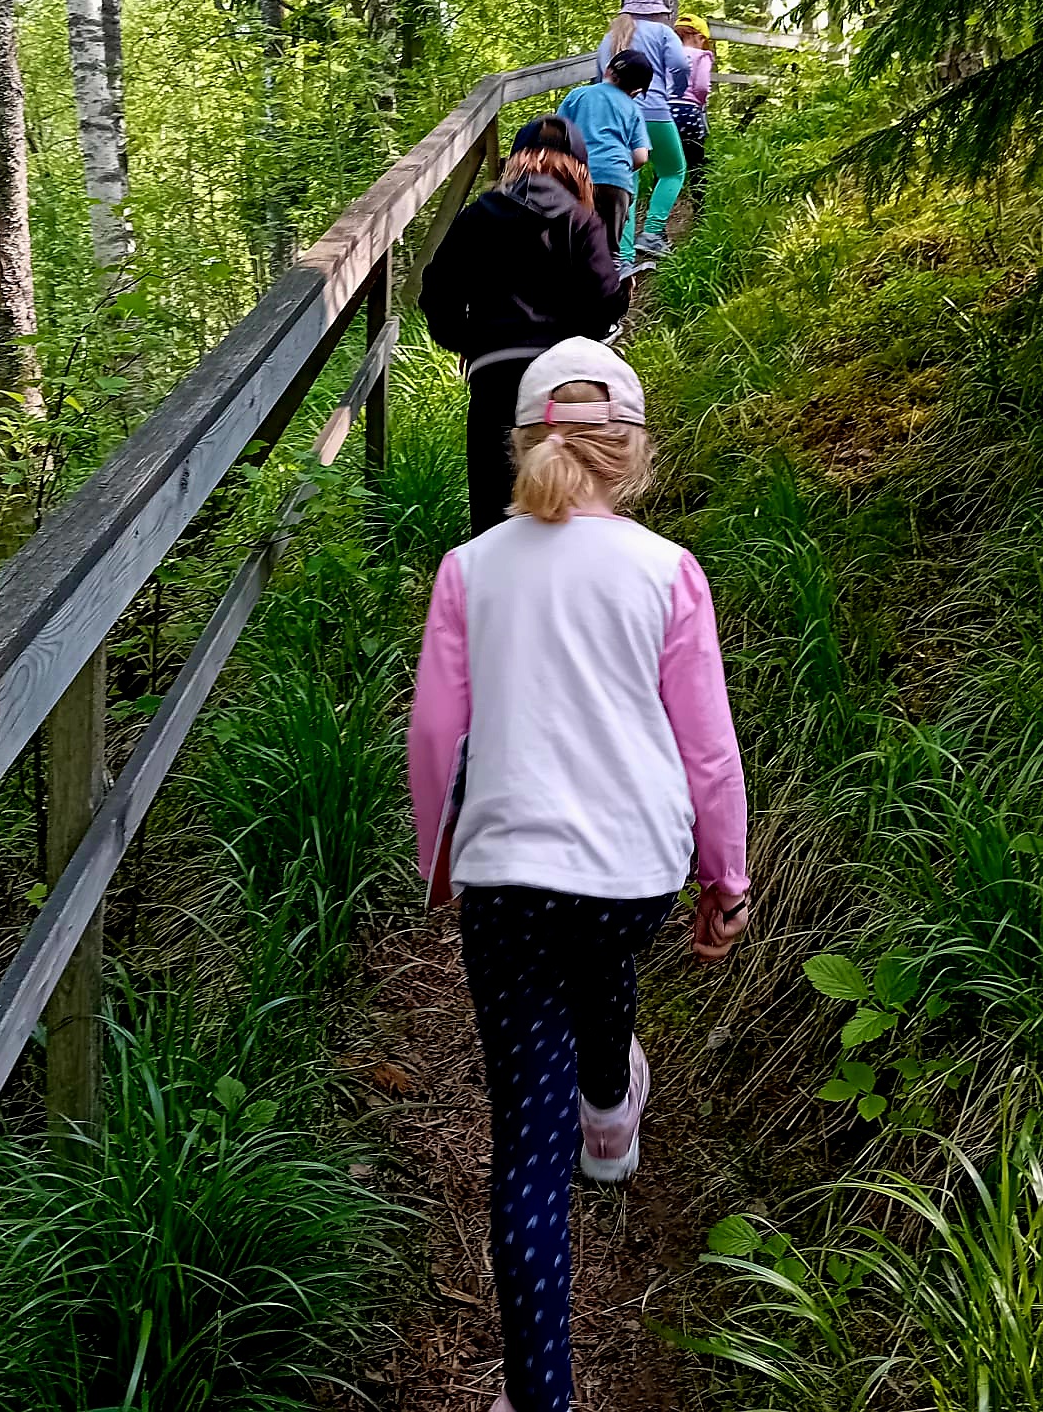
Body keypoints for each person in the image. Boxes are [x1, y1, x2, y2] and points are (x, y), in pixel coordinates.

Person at [408, 337, 751, 1412]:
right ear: (633, 454)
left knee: (525, 1144)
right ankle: (611, 1107)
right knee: (603, 964)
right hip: (635, 870)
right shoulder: (667, 570)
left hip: (508, 875)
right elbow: (708, 748)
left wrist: (439, 858)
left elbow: (434, 734)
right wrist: (724, 875)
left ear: (519, 447)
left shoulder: (470, 570)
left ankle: (537, 1396)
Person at [419, 119, 628, 539]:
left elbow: (436, 293)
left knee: (493, 513)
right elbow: (603, 304)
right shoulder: (581, 221)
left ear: (516, 162)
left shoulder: (476, 217)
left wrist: (469, 342)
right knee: (567, 503)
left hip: (494, 375)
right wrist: (618, 298)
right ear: (579, 169)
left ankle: (490, 579)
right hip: (563, 383)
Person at [594, 0, 690, 266]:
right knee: (673, 170)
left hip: (617, 115)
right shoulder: (663, 33)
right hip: (655, 111)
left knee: (627, 180)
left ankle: (623, 257)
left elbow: (601, 75)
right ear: (657, 10)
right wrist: (677, 90)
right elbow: (681, 65)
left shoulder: (611, 37)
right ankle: (652, 232)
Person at [558, 48, 653, 264]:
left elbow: (557, 135)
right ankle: (613, 276)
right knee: (611, 251)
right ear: (636, 91)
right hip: (616, 182)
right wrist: (617, 166)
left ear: (608, 69)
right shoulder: (632, 109)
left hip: (579, 177)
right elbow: (641, 156)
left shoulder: (578, 96)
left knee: (573, 244)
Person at [670, 13, 716, 215]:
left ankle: (659, 214)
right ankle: (700, 211)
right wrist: (700, 101)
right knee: (696, 162)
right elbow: (701, 86)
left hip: (665, 113)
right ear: (699, 36)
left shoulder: (667, 55)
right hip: (688, 112)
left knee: (665, 165)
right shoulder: (701, 56)